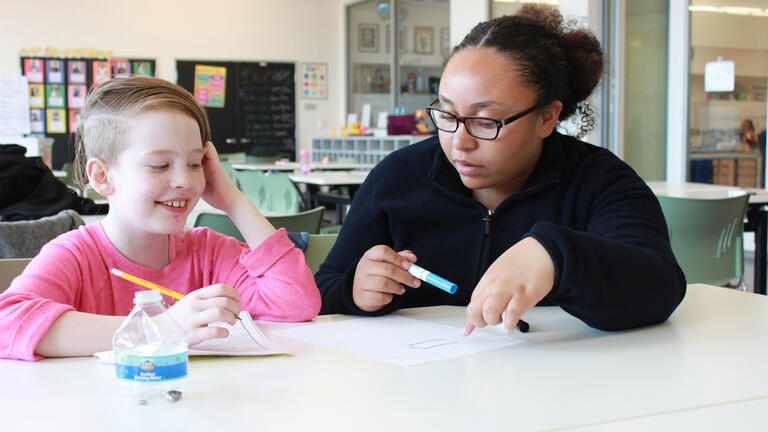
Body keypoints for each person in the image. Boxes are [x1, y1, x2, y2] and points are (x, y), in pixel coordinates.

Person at [315, 4, 685, 334]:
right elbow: (322, 290)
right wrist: (354, 290)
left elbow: (660, 285)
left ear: (547, 117)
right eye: (446, 113)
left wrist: (556, 255)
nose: (459, 141)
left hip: (559, 391)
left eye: (486, 121)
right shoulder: (397, 178)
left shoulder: (600, 181)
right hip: (424, 395)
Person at [0, 76, 321, 361]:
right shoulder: (76, 254)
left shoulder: (208, 251)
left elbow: (296, 303)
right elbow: (7, 322)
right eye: (159, 165)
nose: (184, 180)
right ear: (102, 176)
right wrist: (159, 327)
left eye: (195, 164)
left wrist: (233, 200)